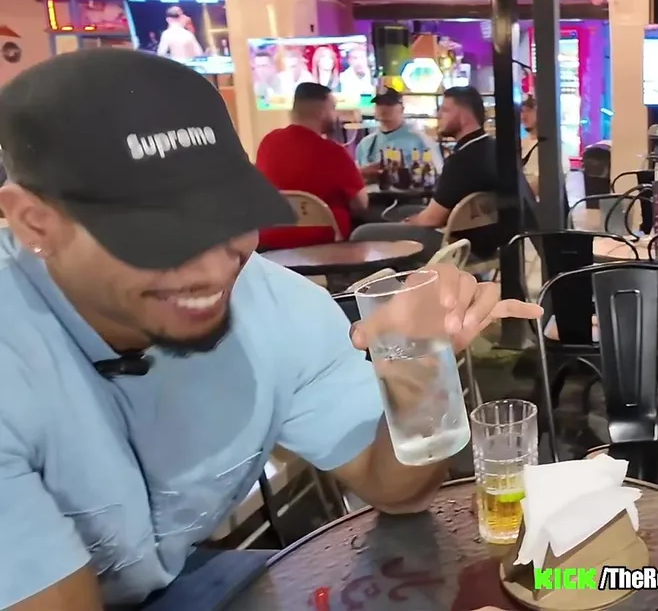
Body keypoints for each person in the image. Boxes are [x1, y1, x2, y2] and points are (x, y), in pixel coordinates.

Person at [0, 48, 543, 610]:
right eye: (158, 235)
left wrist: (419, 364)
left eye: (231, 213)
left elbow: (394, 490)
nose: (214, 268)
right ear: (35, 223)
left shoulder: (280, 307)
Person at [255, 83, 369, 248]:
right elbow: (361, 204)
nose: (336, 115)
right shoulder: (333, 152)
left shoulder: (268, 142)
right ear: (320, 112)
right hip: (322, 241)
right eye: (333, 108)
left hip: (269, 237)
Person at [407, 86, 508, 259]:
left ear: (465, 116)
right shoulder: (497, 149)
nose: (438, 115)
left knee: (366, 232)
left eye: (445, 110)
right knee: (407, 210)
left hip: (460, 246)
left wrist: (408, 223)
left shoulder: (461, 160)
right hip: (493, 241)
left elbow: (432, 219)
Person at [354, 89, 432, 179]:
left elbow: (435, 173)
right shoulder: (365, 143)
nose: (383, 108)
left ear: (401, 109)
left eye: (389, 104)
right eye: (379, 104)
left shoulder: (419, 139)